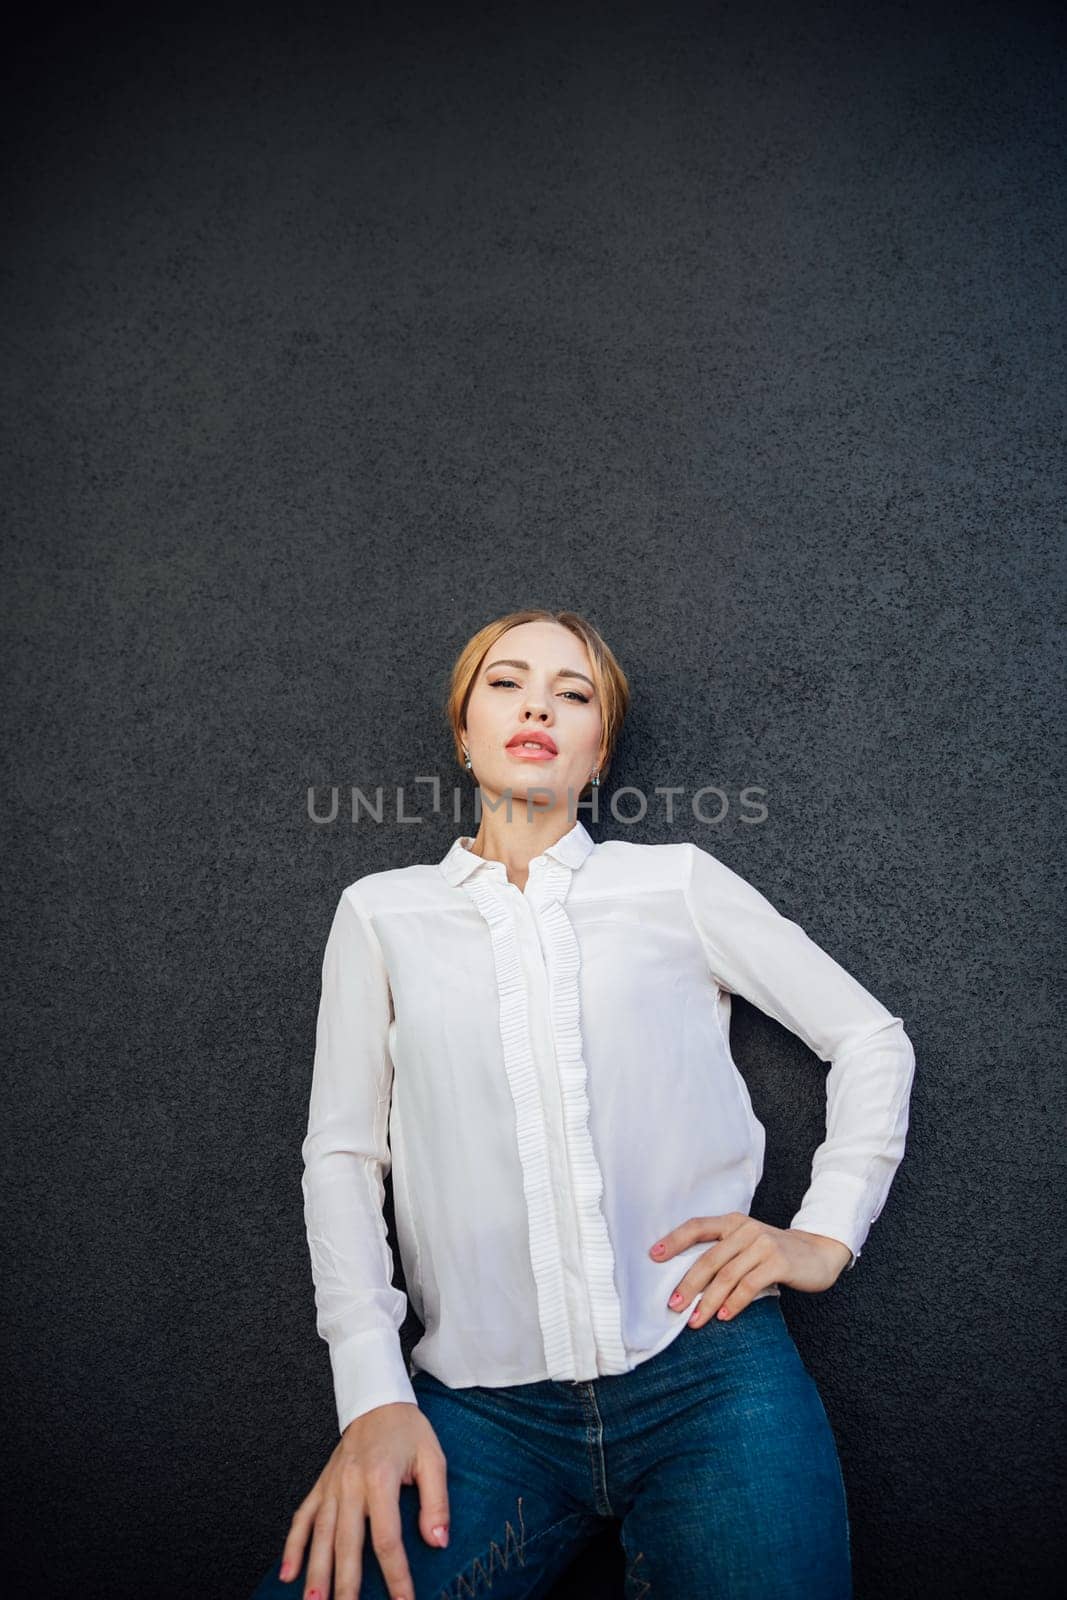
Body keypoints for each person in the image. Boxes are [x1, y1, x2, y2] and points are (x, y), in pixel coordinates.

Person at [250, 608, 916, 1600]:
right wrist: (371, 1396)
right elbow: (342, 1159)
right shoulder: (381, 913)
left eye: (572, 694)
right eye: (506, 683)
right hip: (477, 1412)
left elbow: (868, 1037)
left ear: (597, 749)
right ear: (463, 732)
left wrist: (821, 1232)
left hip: (707, 1373)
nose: (538, 706)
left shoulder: (674, 885)